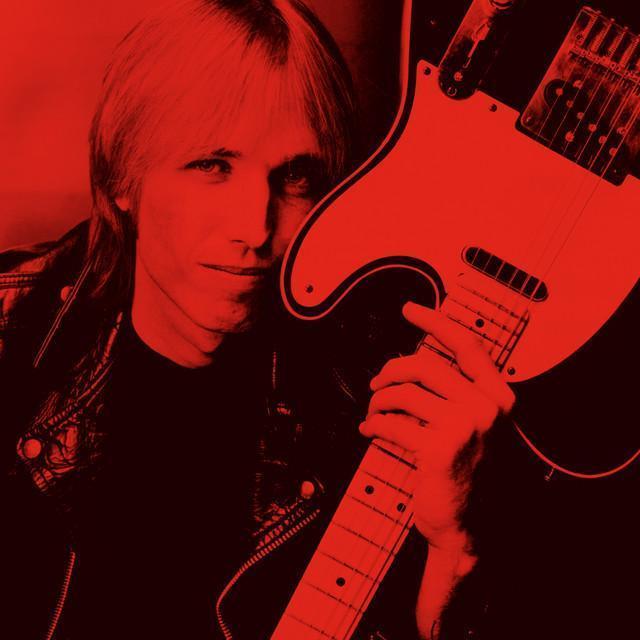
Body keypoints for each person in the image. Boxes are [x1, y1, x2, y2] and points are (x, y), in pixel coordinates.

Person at [8, 0, 632, 639]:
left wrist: (458, 551)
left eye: (296, 178)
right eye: (212, 167)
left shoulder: (387, 389)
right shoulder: (14, 333)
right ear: (123, 176)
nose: (255, 227)